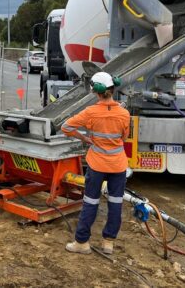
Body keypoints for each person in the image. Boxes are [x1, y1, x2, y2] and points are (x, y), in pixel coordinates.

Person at [61, 71, 130, 255]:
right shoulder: (124, 114)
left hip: (97, 164)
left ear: (95, 91)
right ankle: (108, 243)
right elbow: (125, 137)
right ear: (112, 88)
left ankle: (82, 243)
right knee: (116, 204)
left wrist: (84, 138)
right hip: (118, 165)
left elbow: (66, 127)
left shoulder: (90, 113)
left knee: (91, 202)